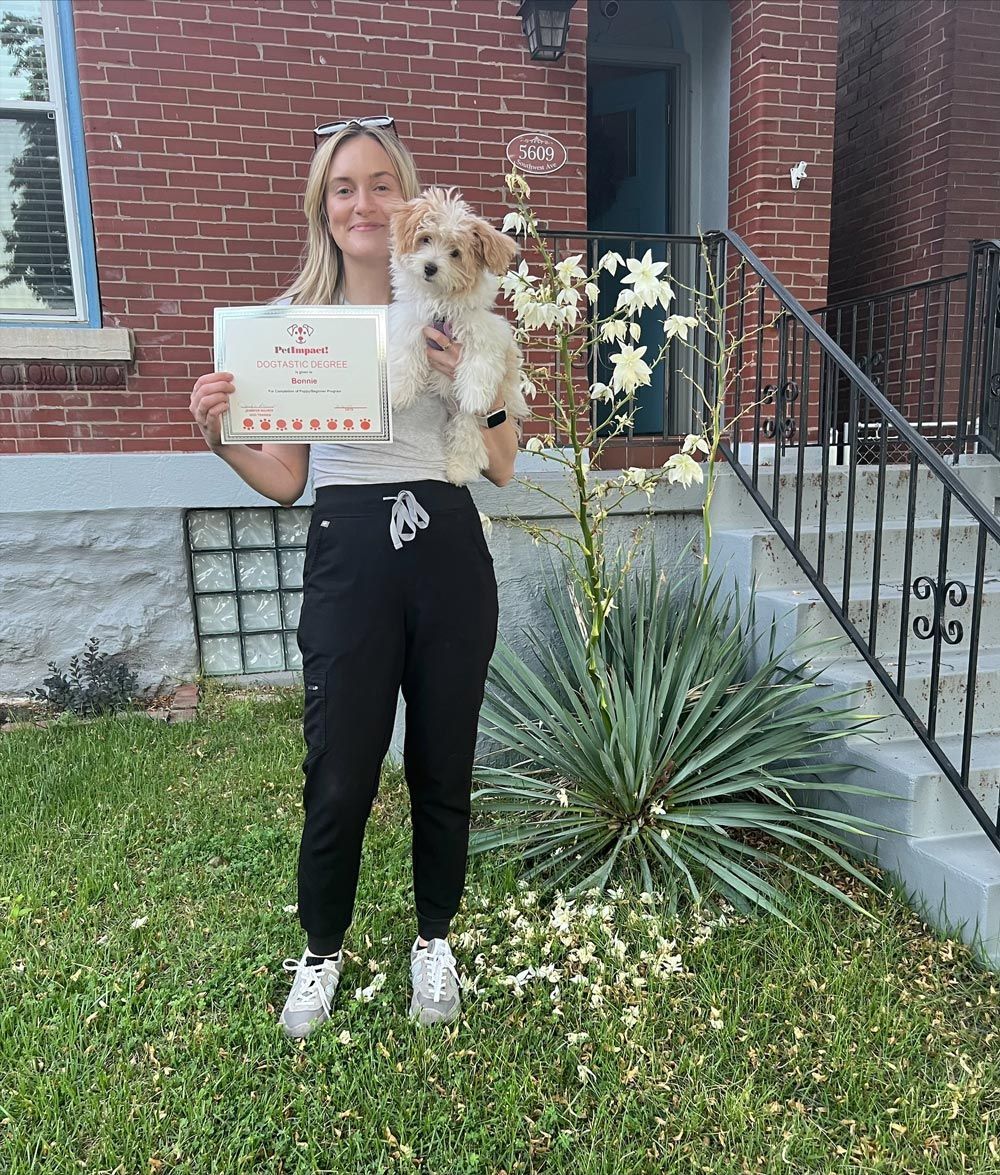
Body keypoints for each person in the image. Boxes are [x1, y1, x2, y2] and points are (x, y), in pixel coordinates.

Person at [188, 116, 519, 1038]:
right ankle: (321, 950)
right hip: (349, 550)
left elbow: (502, 465)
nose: (363, 202)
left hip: (448, 543)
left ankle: (434, 942)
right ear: (323, 209)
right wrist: (221, 438)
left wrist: (478, 390)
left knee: (443, 763)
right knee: (339, 771)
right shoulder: (297, 327)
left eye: (380, 184)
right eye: (345, 187)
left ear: (407, 203)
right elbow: (289, 480)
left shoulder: (459, 304)